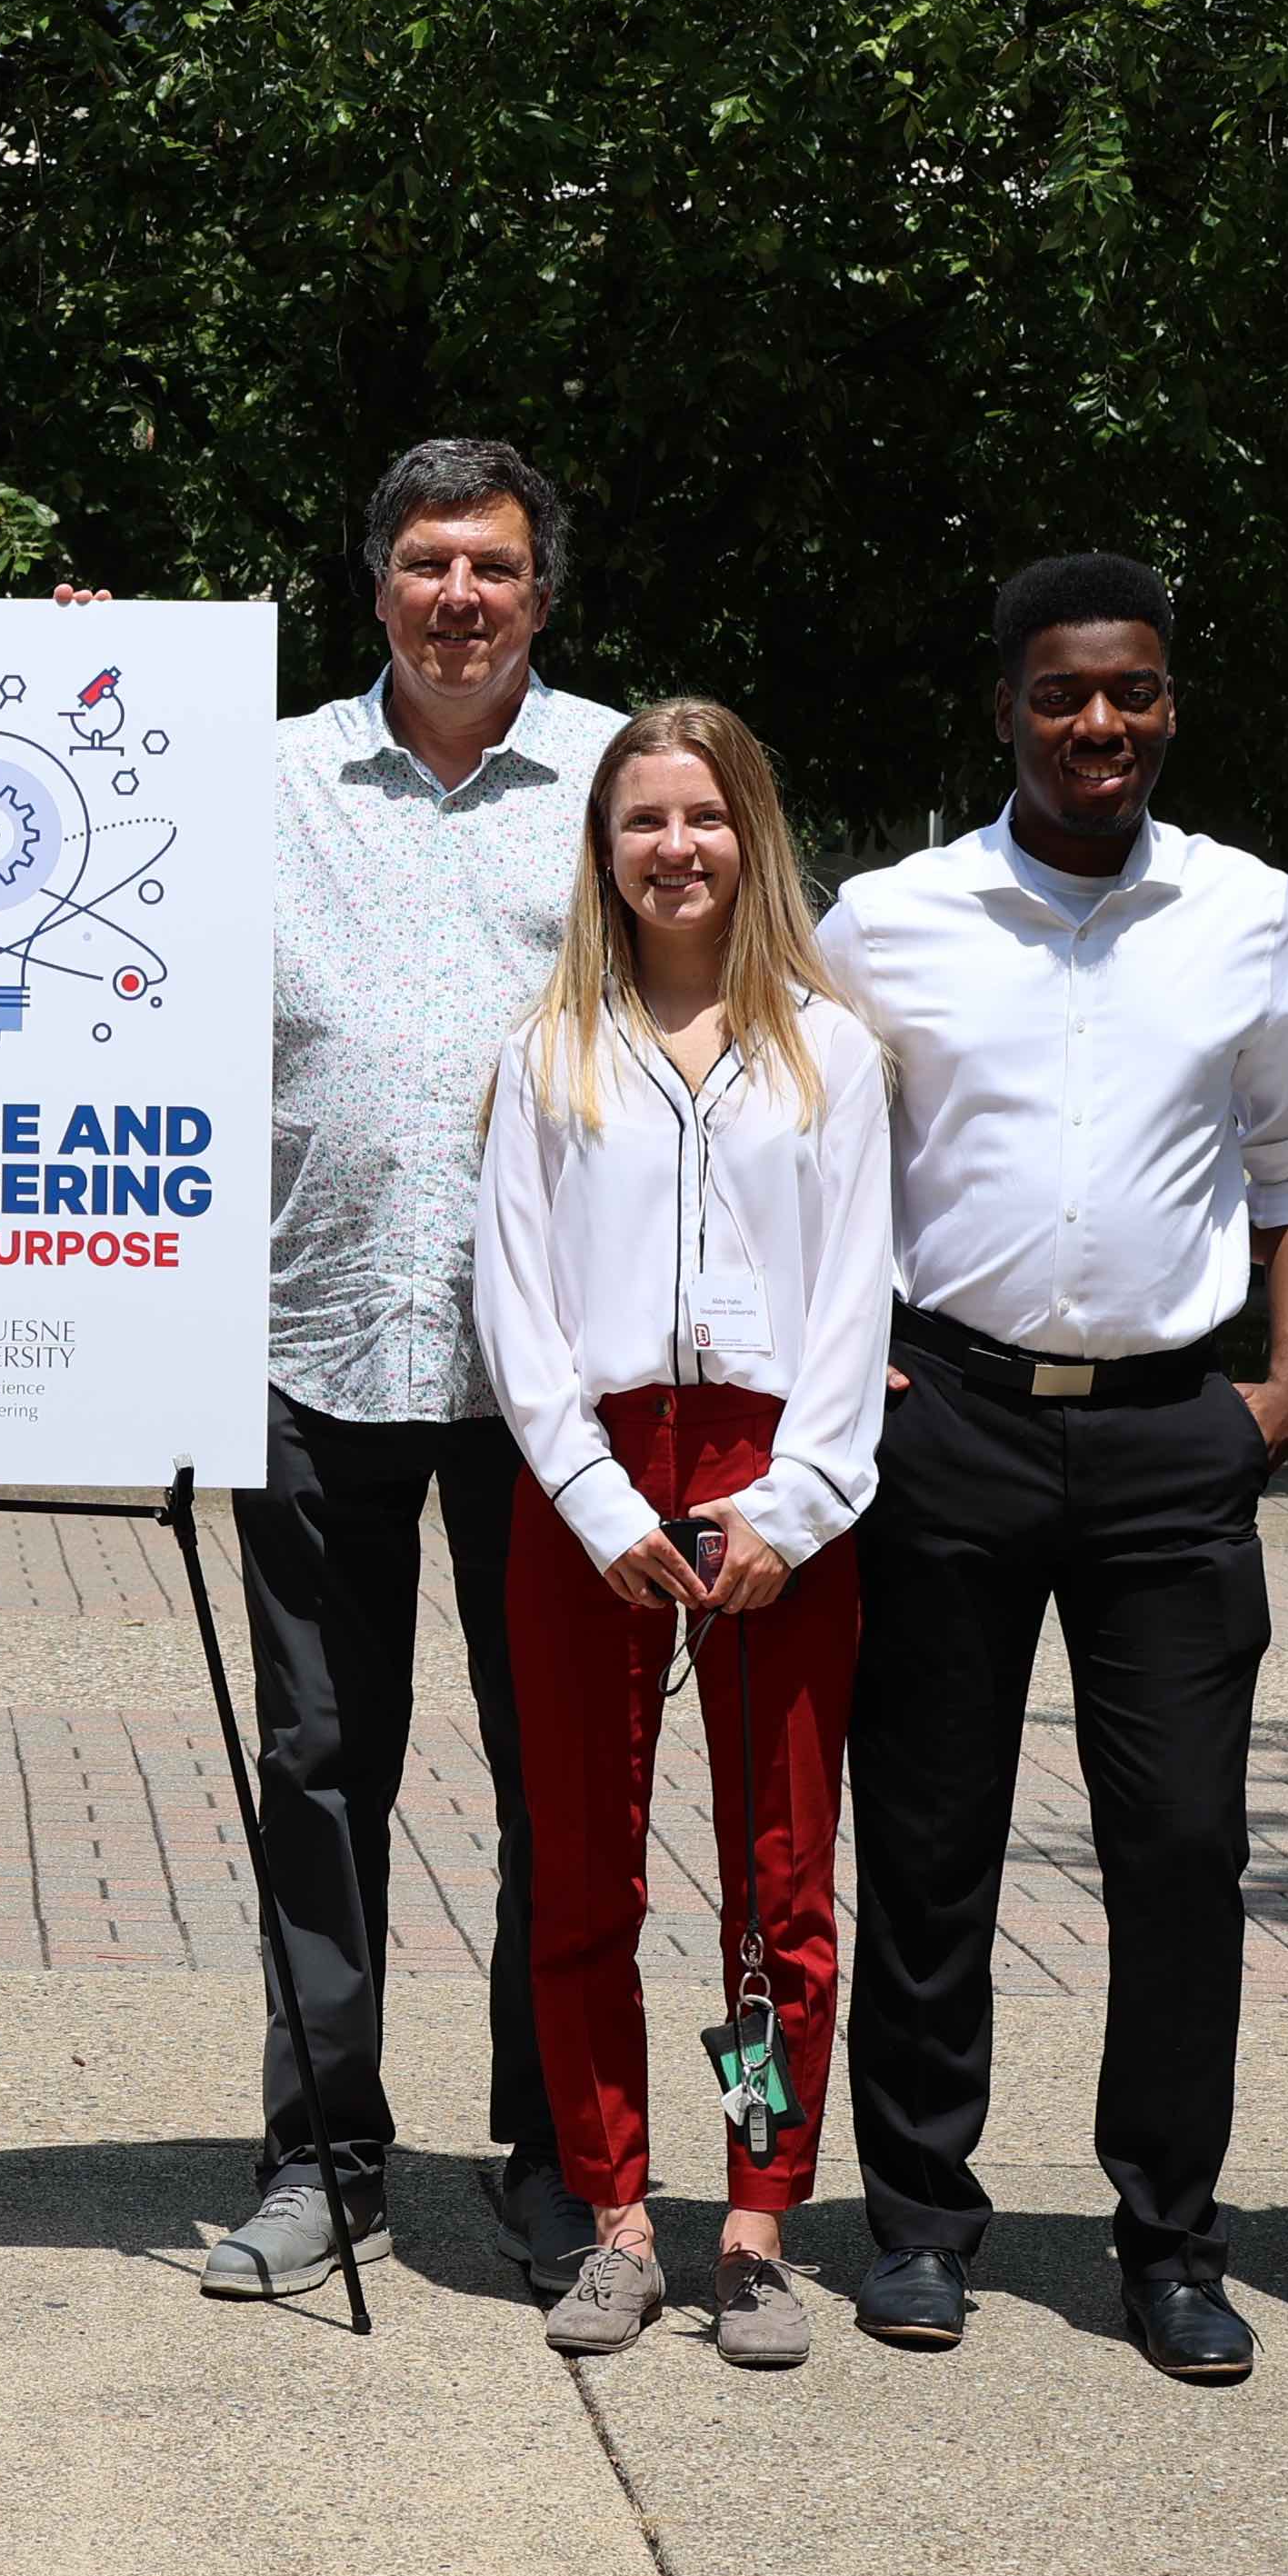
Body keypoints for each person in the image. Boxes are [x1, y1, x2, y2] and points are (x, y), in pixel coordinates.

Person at [813, 552, 1288, 2383]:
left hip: (1170, 1439)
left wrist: (1282, 1393)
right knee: (934, 1839)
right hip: (945, 1422)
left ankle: (1173, 2240)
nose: (1098, 725)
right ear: (1007, 711)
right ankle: (919, 2222)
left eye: (1129, 692)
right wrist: (850, 1367)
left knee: (1186, 1851)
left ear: (1170, 704)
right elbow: (821, 1153)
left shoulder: (1250, 914)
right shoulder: (889, 919)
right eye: (1062, 695)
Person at [217, 436, 624, 2302]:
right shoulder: (263, 774)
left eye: (497, 566)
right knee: (318, 1764)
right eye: (429, 563)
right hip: (303, 1343)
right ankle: (324, 2148)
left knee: (564, 1772)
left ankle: (556, 2151)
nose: (460, 595)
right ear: (375, 584)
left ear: (540, 595)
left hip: (558, 1376)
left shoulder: (627, 783)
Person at [474, 701, 892, 2365]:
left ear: (753, 836)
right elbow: (515, 1295)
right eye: (642, 821)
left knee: (773, 1886)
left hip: (772, 1481)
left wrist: (794, 1504)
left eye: (703, 819)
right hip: (593, 1488)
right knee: (582, 1869)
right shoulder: (547, 1048)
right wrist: (588, 1500)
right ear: (604, 848)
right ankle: (617, 2212)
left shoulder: (831, 1052)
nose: (674, 851)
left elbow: (860, 1301)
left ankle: (758, 2214)